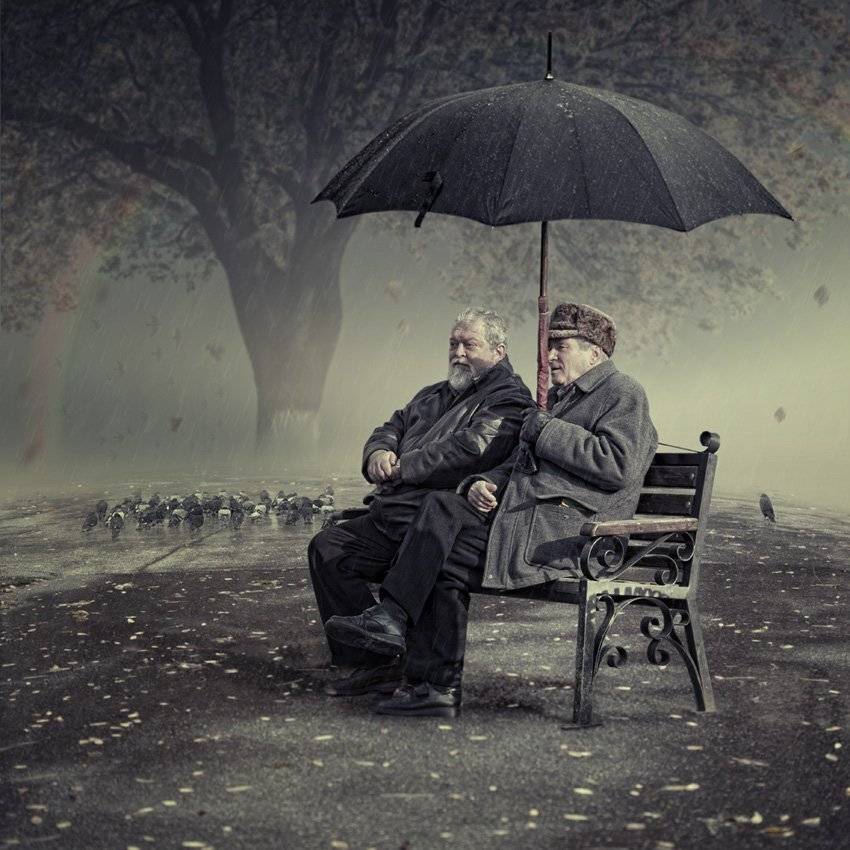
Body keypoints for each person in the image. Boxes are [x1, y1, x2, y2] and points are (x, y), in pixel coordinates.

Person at [324, 303, 658, 717]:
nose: (550, 355)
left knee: (440, 538)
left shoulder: (623, 393)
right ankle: (432, 684)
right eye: (548, 346)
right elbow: (520, 462)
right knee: (440, 531)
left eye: (562, 346)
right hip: (530, 521)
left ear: (595, 352)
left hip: (574, 536)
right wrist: (483, 482)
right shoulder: (560, 398)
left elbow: (617, 465)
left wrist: (547, 429)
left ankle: (413, 650)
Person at [309, 308, 534, 696]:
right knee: (328, 549)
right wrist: (378, 452)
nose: (458, 353)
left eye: (469, 345)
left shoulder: (509, 398)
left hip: (434, 518)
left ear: (498, 351)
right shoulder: (432, 394)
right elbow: (391, 426)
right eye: (453, 343)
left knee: (433, 551)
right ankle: (375, 662)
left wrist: (402, 467)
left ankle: (398, 646)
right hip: (394, 515)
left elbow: (472, 448)